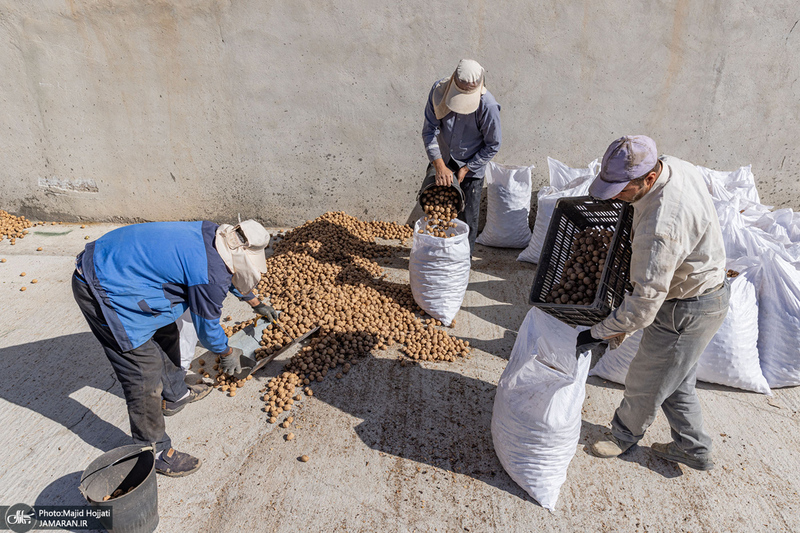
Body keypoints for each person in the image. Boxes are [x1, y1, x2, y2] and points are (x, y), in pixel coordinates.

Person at [72, 220, 278, 476]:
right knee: (142, 372)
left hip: (127, 269)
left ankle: (175, 395)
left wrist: (255, 302)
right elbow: (207, 327)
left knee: (167, 332)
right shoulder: (209, 272)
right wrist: (226, 353)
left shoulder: (215, 234)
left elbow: (229, 272)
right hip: (102, 283)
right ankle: (153, 451)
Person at [576, 135, 729, 471]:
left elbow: (644, 306)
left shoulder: (662, 227)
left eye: (621, 190)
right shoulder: (672, 165)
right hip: (699, 293)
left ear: (647, 178)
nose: (615, 197)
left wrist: (598, 332)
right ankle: (695, 448)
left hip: (686, 308)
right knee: (673, 377)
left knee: (646, 379)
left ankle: (622, 435)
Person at [422, 58, 501, 252]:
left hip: (471, 166)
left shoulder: (487, 106)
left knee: (467, 221)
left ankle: (462, 262)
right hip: (443, 159)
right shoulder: (439, 91)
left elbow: (493, 144)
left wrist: (466, 168)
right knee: (434, 214)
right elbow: (429, 131)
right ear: (453, 81)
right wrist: (440, 166)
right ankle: (436, 257)